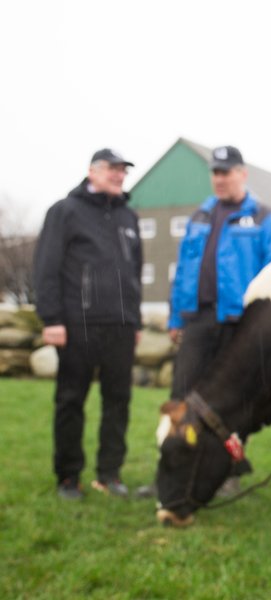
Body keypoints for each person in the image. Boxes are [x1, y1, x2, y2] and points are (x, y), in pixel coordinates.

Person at [161, 145, 271, 495]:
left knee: (232, 400)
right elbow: (184, 269)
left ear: (242, 174)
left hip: (239, 323)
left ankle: (226, 471)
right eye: (215, 172)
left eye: (226, 172)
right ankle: (173, 469)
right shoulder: (200, 216)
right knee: (181, 395)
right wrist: (176, 318)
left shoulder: (265, 218)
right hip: (198, 319)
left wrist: (264, 324)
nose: (219, 179)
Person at [34, 148, 142, 500]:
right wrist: (51, 319)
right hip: (77, 324)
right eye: (112, 169)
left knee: (118, 401)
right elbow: (46, 267)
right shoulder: (65, 211)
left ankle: (109, 474)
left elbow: (134, 273)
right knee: (70, 400)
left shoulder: (129, 217)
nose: (119, 175)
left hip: (121, 326)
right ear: (92, 171)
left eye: (122, 170)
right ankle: (68, 477)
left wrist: (135, 320)